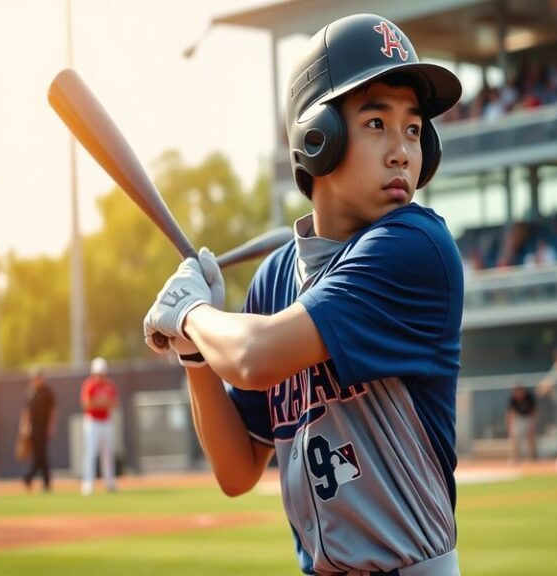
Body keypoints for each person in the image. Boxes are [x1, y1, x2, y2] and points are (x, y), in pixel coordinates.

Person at [143, 14, 463, 576]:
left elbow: (253, 356)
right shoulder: (275, 280)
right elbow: (237, 472)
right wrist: (192, 352)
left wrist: (191, 313)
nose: (402, 152)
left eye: (413, 129)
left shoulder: (415, 246)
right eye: (375, 123)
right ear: (318, 140)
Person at [80, 356, 119, 496]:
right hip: (92, 422)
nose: (100, 376)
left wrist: (99, 403)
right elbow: (87, 404)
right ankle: (88, 484)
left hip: (106, 421)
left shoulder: (110, 385)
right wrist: (102, 403)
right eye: (98, 373)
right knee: (91, 453)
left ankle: (110, 483)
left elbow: (114, 403)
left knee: (108, 454)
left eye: (102, 373)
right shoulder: (90, 385)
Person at [20, 368, 56, 492]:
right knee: (39, 455)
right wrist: (25, 426)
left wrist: (51, 426)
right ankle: (42, 481)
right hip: (33, 428)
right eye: (35, 378)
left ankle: (30, 478)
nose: (37, 380)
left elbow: (53, 410)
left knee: (41, 454)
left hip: (44, 427)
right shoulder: (31, 392)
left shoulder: (47, 392)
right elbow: (27, 411)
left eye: (39, 378)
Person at [506, 384, 537, 463]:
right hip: (518, 419)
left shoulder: (529, 397)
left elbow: (533, 412)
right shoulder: (513, 399)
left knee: (530, 439)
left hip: (528, 418)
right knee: (515, 438)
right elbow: (510, 414)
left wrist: (532, 425)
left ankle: (533, 458)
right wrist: (510, 426)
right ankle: (516, 458)